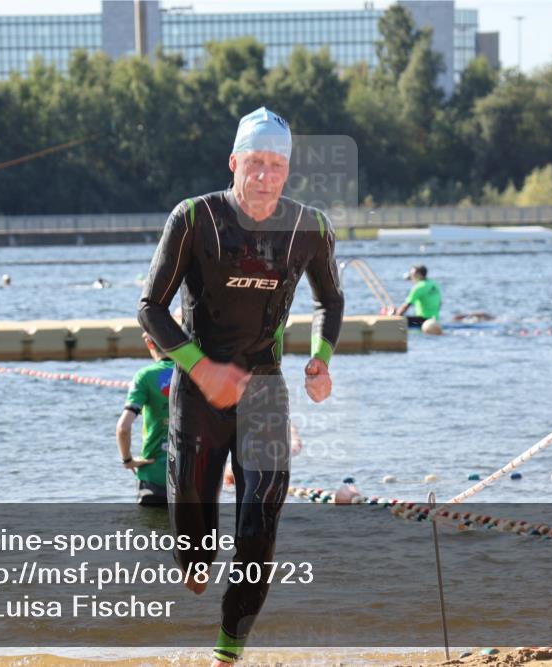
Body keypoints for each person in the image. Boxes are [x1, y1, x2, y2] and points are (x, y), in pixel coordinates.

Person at [137, 106, 344, 666]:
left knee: (262, 518)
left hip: (265, 388)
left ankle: (228, 650)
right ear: (234, 162)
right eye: (255, 163)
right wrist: (202, 369)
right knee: (194, 549)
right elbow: (150, 308)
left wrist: (320, 359)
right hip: (198, 390)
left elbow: (331, 300)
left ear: (288, 171)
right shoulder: (195, 218)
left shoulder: (310, 227)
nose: (264, 176)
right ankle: (195, 556)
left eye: (276, 165)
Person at [116, 333, 174, 506]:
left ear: (149, 343)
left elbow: (123, 427)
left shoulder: (145, 376)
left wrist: (128, 460)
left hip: (153, 475)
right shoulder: (193, 372)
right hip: (191, 476)